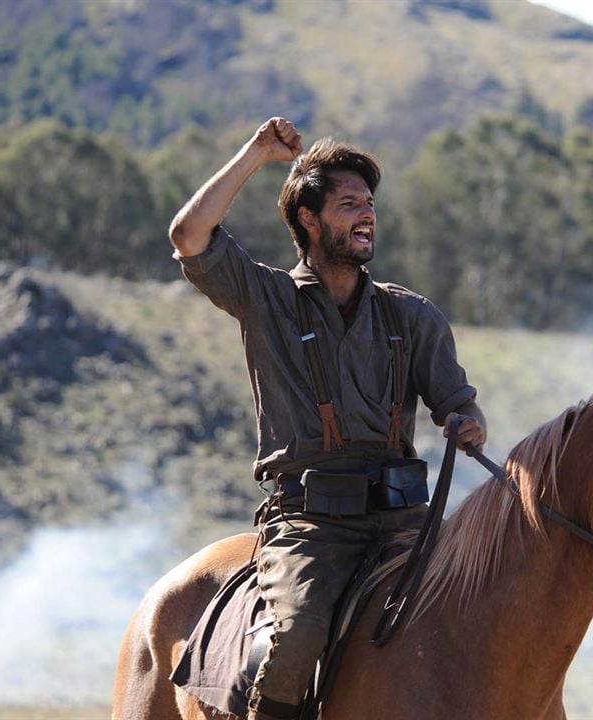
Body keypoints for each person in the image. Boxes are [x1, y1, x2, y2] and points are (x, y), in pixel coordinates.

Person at [168, 117, 487, 720]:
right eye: (348, 205)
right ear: (309, 221)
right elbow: (189, 233)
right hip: (311, 525)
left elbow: (456, 400)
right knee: (294, 639)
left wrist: (467, 421)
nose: (367, 216)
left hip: (405, 523)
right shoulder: (267, 300)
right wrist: (257, 154)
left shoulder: (412, 317)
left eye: (370, 205)